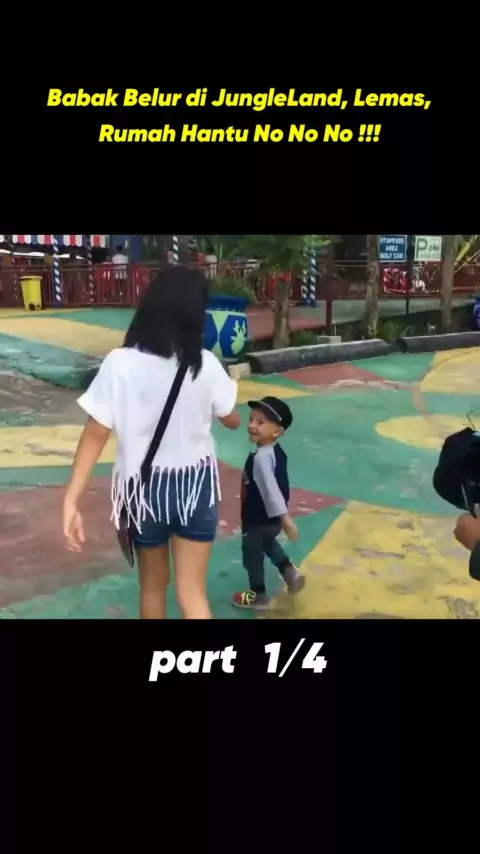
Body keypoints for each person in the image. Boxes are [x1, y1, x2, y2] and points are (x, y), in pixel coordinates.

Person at [63, 264, 241, 619]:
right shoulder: (205, 364)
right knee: (192, 594)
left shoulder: (119, 364)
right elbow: (232, 419)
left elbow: (95, 435)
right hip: (195, 486)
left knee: (152, 587)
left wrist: (71, 500)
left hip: (143, 491)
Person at [232, 396, 305, 611]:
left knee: (251, 555)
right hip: (271, 520)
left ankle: (258, 595)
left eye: (260, 422)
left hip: (258, 518)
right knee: (268, 543)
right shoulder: (276, 452)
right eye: (251, 419)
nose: (252, 425)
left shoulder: (261, 458)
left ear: (277, 432)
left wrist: (285, 519)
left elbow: (270, 490)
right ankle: (290, 573)